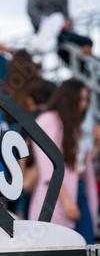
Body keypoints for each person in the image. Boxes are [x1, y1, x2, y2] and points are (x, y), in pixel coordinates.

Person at [29, 79, 98, 244]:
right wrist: (66, 199)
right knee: (60, 246)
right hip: (58, 194)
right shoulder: (48, 119)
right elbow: (48, 166)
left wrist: (97, 147)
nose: (84, 105)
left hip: (79, 191)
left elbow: (78, 165)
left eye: (86, 100)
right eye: (80, 99)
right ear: (68, 98)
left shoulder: (72, 126)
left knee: (84, 245)